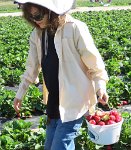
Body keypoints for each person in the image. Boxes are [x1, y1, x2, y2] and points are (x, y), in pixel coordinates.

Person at [13, 0, 109, 149]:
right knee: (50, 146)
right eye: (31, 16)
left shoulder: (75, 28)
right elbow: (31, 68)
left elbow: (94, 63)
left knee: (60, 146)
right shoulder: (37, 35)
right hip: (53, 101)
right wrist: (20, 93)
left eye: (38, 15)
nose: (35, 20)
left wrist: (100, 87)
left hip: (75, 102)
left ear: (51, 11)